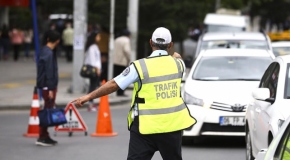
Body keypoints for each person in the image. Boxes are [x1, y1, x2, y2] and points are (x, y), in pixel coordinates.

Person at [72, 27, 196, 160]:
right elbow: (171, 61)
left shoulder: (139, 66)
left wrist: (89, 96)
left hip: (145, 127)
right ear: (170, 45)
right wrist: (174, 56)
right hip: (172, 126)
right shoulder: (179, 65)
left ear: (150, 42)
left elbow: (114, 84)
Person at [36, 30, 60, 146]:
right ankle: (42, 136)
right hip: (48, 86)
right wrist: (50, 88)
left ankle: (44, 135)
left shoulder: (44, 51)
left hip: (45, 86)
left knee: (47, 109)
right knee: (47, 110)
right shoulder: (49, 53)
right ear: (57, 41)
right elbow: (49, 72)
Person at [83, 31, 102, 112]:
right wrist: (97, 69)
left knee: (93, 86)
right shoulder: (92, 47)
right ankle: (90, 104)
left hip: (96, 69)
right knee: (92, 87)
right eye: (98, 36)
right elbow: (93, 60)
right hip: (94, 69)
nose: (99, 38)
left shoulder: (94, 46)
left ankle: (91, 103)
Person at [113, 29, 131, 96]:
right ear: (128, 35)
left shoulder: (116, 39)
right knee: (123, 78)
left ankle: (117, 91)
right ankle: (121, 92)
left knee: (117, 77)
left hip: (115, 61)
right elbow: (126, 50)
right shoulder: (126, 40)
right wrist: (129, 58)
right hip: (122, 62)